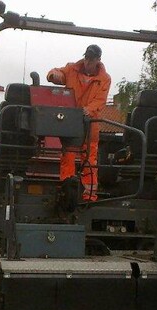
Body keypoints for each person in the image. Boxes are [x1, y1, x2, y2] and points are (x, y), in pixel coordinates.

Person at [46, 44, 111, 202]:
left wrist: (87, 110)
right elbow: (57, 73)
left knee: (90, 159)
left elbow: (100, 101)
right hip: (70, 123)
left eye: (92, 59)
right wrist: (54, 75)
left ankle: (89, 195)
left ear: (98, 60)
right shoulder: (71, 69)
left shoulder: (105, 79)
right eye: (87, 58)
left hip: (91, 123)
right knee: (68, 156)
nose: (88, 62)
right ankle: (66, 192)